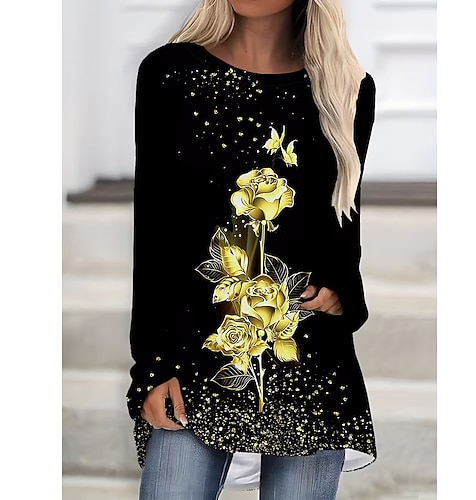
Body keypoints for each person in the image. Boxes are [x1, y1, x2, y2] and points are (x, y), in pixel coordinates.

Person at [125, 0, 377, 498]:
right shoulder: (171, 73)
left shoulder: (345, 88)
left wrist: (342, 290)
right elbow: (155, 230)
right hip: (196, 353)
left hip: (308, 352)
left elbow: (341, 219)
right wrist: (152, 365)